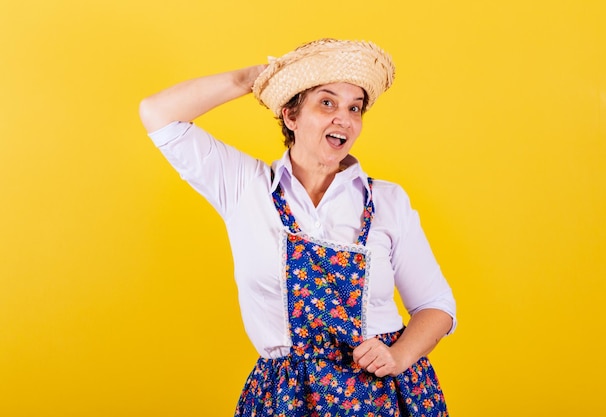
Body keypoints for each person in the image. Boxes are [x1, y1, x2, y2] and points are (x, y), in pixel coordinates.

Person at [139, 38, 457, 416]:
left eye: (355, 108)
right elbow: (158, 113)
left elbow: (436, 306)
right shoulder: (243, 186)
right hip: (288, 400)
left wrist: (399, 355)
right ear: (291, 116)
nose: (344, 118)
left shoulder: (387, 201)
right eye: (327, 103)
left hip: (383, 397)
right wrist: (256, 79)